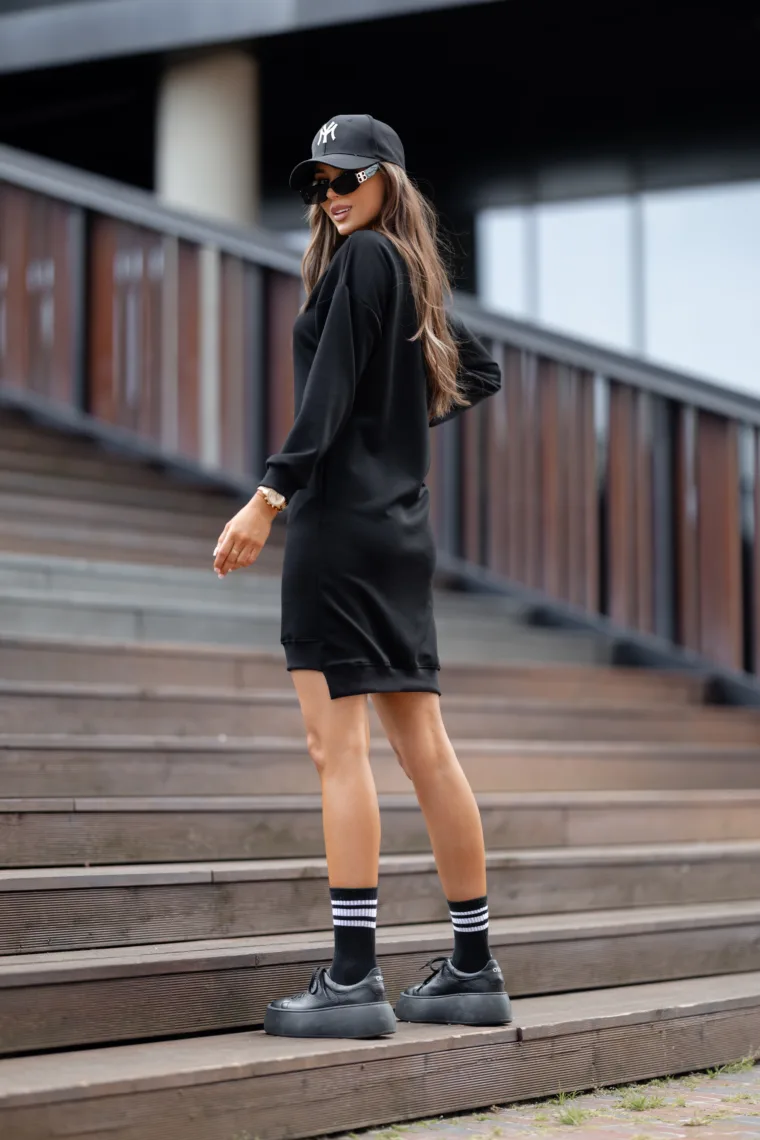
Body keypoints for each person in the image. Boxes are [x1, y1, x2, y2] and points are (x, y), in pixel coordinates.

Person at [213, 114, 509, 1039]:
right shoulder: (408, 268)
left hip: (340, 533)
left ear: (388, 179)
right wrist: (394, 437)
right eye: (321, 183)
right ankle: (473, 969)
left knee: (336, 750)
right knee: (426, 749)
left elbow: (329, 389)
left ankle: (351, 978)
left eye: (348, 178)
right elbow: (481, 371)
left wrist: (269, 495)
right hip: (400, 533)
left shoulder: (364, 261)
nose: (332, 196)